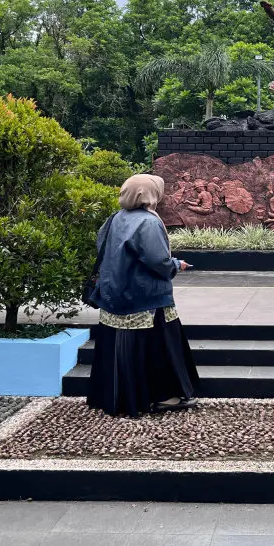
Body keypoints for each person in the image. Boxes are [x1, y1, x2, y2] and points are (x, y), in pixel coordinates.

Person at [86, 174, 199, 417]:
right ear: (150, 194)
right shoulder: (148, 222)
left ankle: (121, 399)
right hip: (146, 298)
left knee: (119, 346)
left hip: (115, 294)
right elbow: (158, 260)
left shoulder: (115, 218)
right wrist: (176, 265)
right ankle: (162, 397)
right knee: (159, 346)